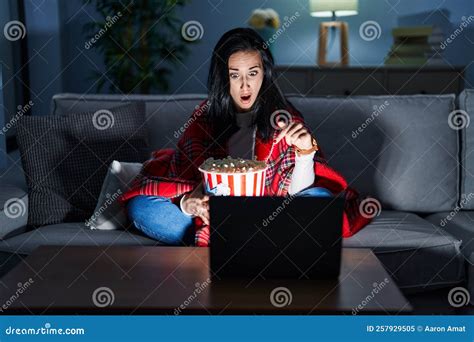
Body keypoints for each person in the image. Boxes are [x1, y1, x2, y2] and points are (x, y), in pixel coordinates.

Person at [119, 28, 372, 247]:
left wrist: (305, 154)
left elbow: (296, 193)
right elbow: (186, 173)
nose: (245, 86)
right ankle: (250, 242)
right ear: (222, 78)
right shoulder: (205, 118)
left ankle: (235, 241)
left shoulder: (283, 117)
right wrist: (189, 204)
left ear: (265, 73)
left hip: (270, 211)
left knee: (319, 202)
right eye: (234, 75)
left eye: (252, 73)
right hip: (213, 213)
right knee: (141, 207)